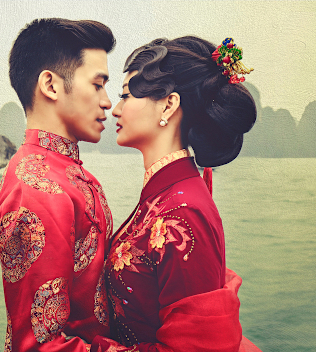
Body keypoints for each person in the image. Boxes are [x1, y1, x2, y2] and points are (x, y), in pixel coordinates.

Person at [91, 36, 262, 352]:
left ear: (168, 105)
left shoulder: (182, 211)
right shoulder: (167, 195)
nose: (115, 109)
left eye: (126, 95)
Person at [0, 18, 115, 351]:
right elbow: (40, 346)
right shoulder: (35, 190)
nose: (108, 102)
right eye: (97, 84)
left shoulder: (71, 175)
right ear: (51, 85)